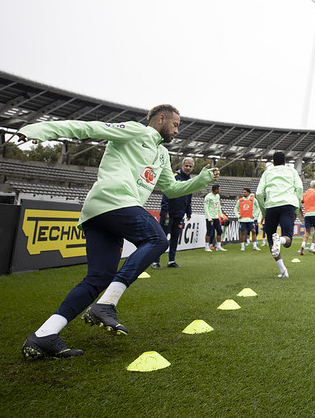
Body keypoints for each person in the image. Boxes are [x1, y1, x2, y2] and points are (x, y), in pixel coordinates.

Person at [19, 104, 219, 359]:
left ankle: (43, 335)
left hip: (106, 213)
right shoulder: (136, 132)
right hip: (112, 201)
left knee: (98, 279)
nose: (177, 131)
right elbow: (89, 128)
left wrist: (201, 180)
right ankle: (106, 304)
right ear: (160, 119)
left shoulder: (163, 155)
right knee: (157, 239)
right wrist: (40, 130)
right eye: (175, 124)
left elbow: (171, 189)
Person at [255, 151, 303, 278]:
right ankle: (280, 239)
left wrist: (264, 211)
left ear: (273, 162)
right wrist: (296, 207)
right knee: (288, 239)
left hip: (271, 205)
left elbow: (259, 193)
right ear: (285, 162)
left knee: (271, 239)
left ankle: (283, 270)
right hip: (288, 204)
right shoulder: (292, 172)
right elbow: (299, 189)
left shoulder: (267, 172)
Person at [154, 157, 195, 269]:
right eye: (186, 165)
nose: (188, 168)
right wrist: (165, 210)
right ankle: (155, 262)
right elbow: (166, 193)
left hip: (179, 214)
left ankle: (171, 261)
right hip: (169, 214)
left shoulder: (190, 180)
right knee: (162, 238)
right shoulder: (174, 177)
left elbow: (188, 197)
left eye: (190, 166)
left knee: (175, 238)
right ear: (182, 165)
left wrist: (188, 212)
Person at [300, 180, 315, 255]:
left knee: (307, 232)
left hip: (307, 214)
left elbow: (300, 202)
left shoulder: (305, 193)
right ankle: (312, 247)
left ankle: (303, 245)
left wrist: (301, 212)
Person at [204, 185, 227, 251]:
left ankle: (218, 246)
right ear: (215, 189)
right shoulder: (208, 197)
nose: (219, 190)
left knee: (219, 230)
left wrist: (221, 215)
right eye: (218, 189)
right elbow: (206, 208)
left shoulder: (217, 196)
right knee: (209, 231)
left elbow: (218, 206)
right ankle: (206, 246)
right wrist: (209, 218)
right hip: (210, 217)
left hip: (216, 217)